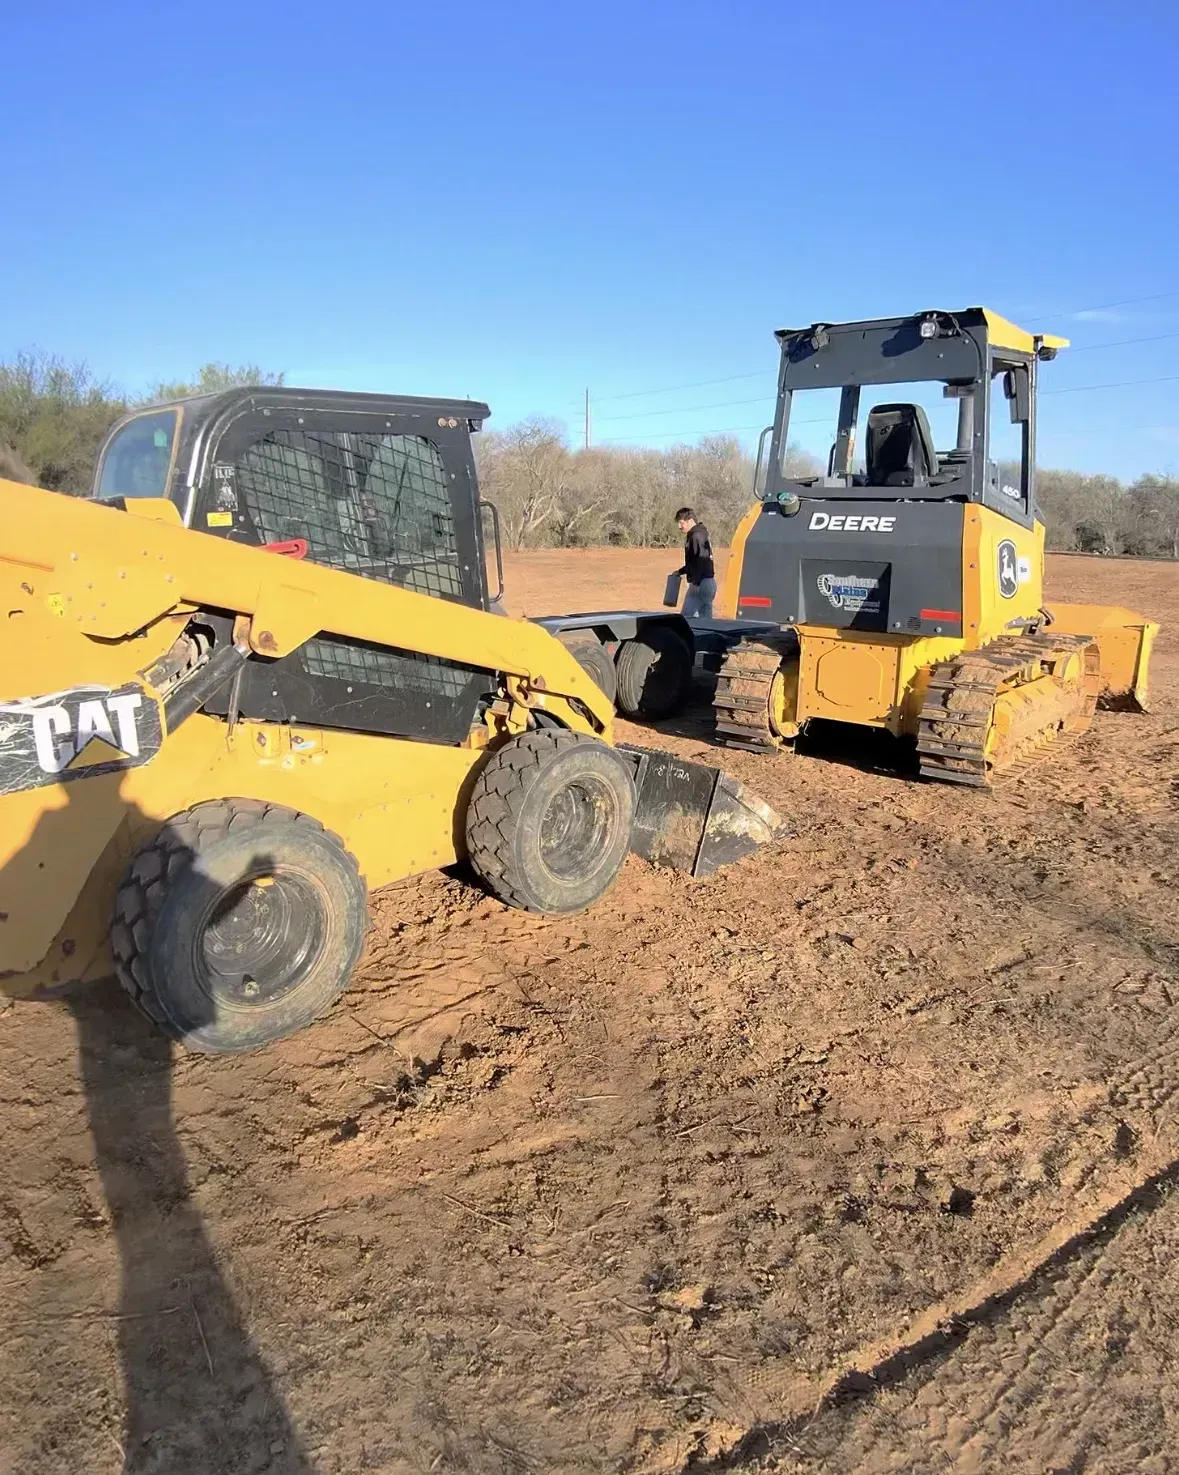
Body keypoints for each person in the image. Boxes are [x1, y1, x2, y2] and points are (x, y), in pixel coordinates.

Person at [674, 507, 716, 619]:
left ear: (690, 520)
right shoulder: (699, 534)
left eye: (681, 522)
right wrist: (680, 571)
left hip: (701, 582)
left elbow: (702, 559)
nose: (679, 526)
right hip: (706, 582)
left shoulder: (697, 536)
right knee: (704, 620)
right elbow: (695, 560)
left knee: (687, 620)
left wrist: (696, 581)